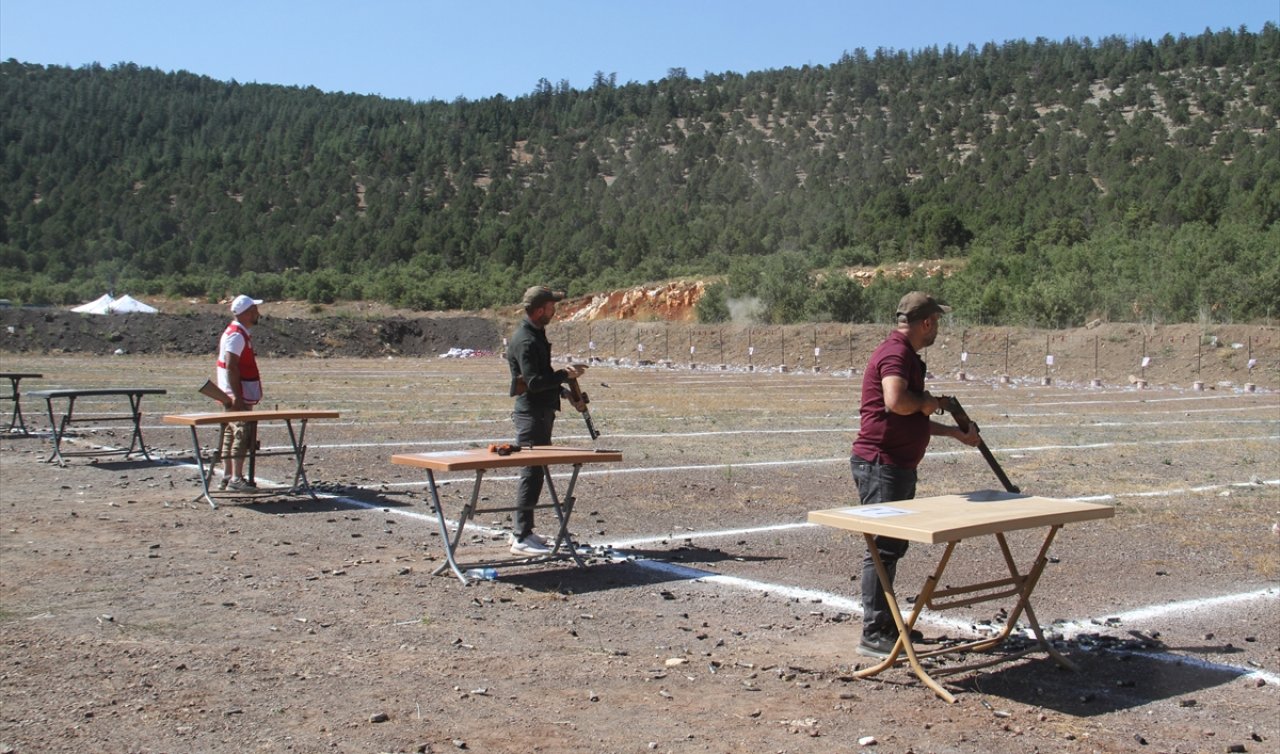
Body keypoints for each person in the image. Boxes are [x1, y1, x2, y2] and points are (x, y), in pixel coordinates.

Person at [850, 291, 980, 658]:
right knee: (882, 548)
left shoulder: (904, 354)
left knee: (890, 547)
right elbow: (896, 401)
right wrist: (930, 403)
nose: (937, 328)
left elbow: (910, 418)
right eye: (936, 322)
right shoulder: (896, 354)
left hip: (892, 464)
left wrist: (954, 431)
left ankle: (887, 626)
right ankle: (874, 632)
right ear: (926, 322)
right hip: (881, 464)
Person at [505, 286, 587, 556]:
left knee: (536, 471)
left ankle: (525, 529)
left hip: (539, 411)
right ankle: (520, 536)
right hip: (532, 414)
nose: (555, 310)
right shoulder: (527, 340)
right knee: (531, 472)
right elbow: (534, 382)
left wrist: (565, 392)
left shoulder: (534, 335)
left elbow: (543, 378)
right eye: (552, 306)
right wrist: (564, 374)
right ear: (540, 310)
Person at [216, 294, 264, 491]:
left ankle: (228, 476)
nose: (257, 313)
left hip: (233, 391)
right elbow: (232, 366)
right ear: (246, 313)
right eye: (254, 310)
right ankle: (236, 478)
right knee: (241, 433)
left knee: (231, 432)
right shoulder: (237, 335)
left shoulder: (236, 332)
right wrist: (237, 397)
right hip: (236, 392)